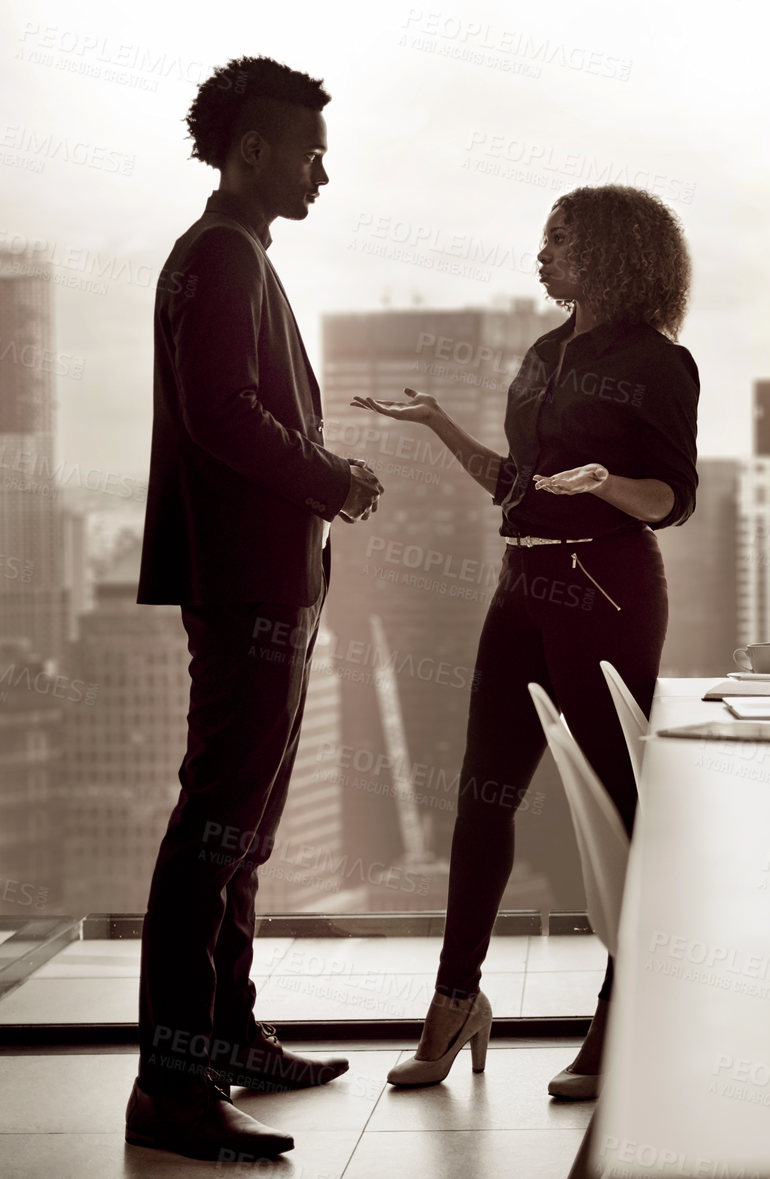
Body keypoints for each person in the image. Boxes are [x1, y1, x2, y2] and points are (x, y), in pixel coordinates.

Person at [355, 185, 698, 1097]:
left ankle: (626, 1015)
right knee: (482, 796)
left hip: (605, 586)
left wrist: (604, 484)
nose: (541, 254)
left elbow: (671, 496)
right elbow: (513, 485)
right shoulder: (544, 354)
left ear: (610, 254)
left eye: (558, 240)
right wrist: (437, 427)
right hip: (523, 583)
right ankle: (456, 999)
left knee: (619, 809)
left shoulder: (661, 364)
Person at [125, 57, 385, 1161]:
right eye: (312, 152)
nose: (326, 171)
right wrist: (333, 477)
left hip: (266, 580)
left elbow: (232, 415)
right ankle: (172, 1091)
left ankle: (225, 1038)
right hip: (245, 584)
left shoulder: (235, 256)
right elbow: (223, 416)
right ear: (253, 152)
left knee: (244, 828)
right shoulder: (221, 259)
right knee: (214, 830)